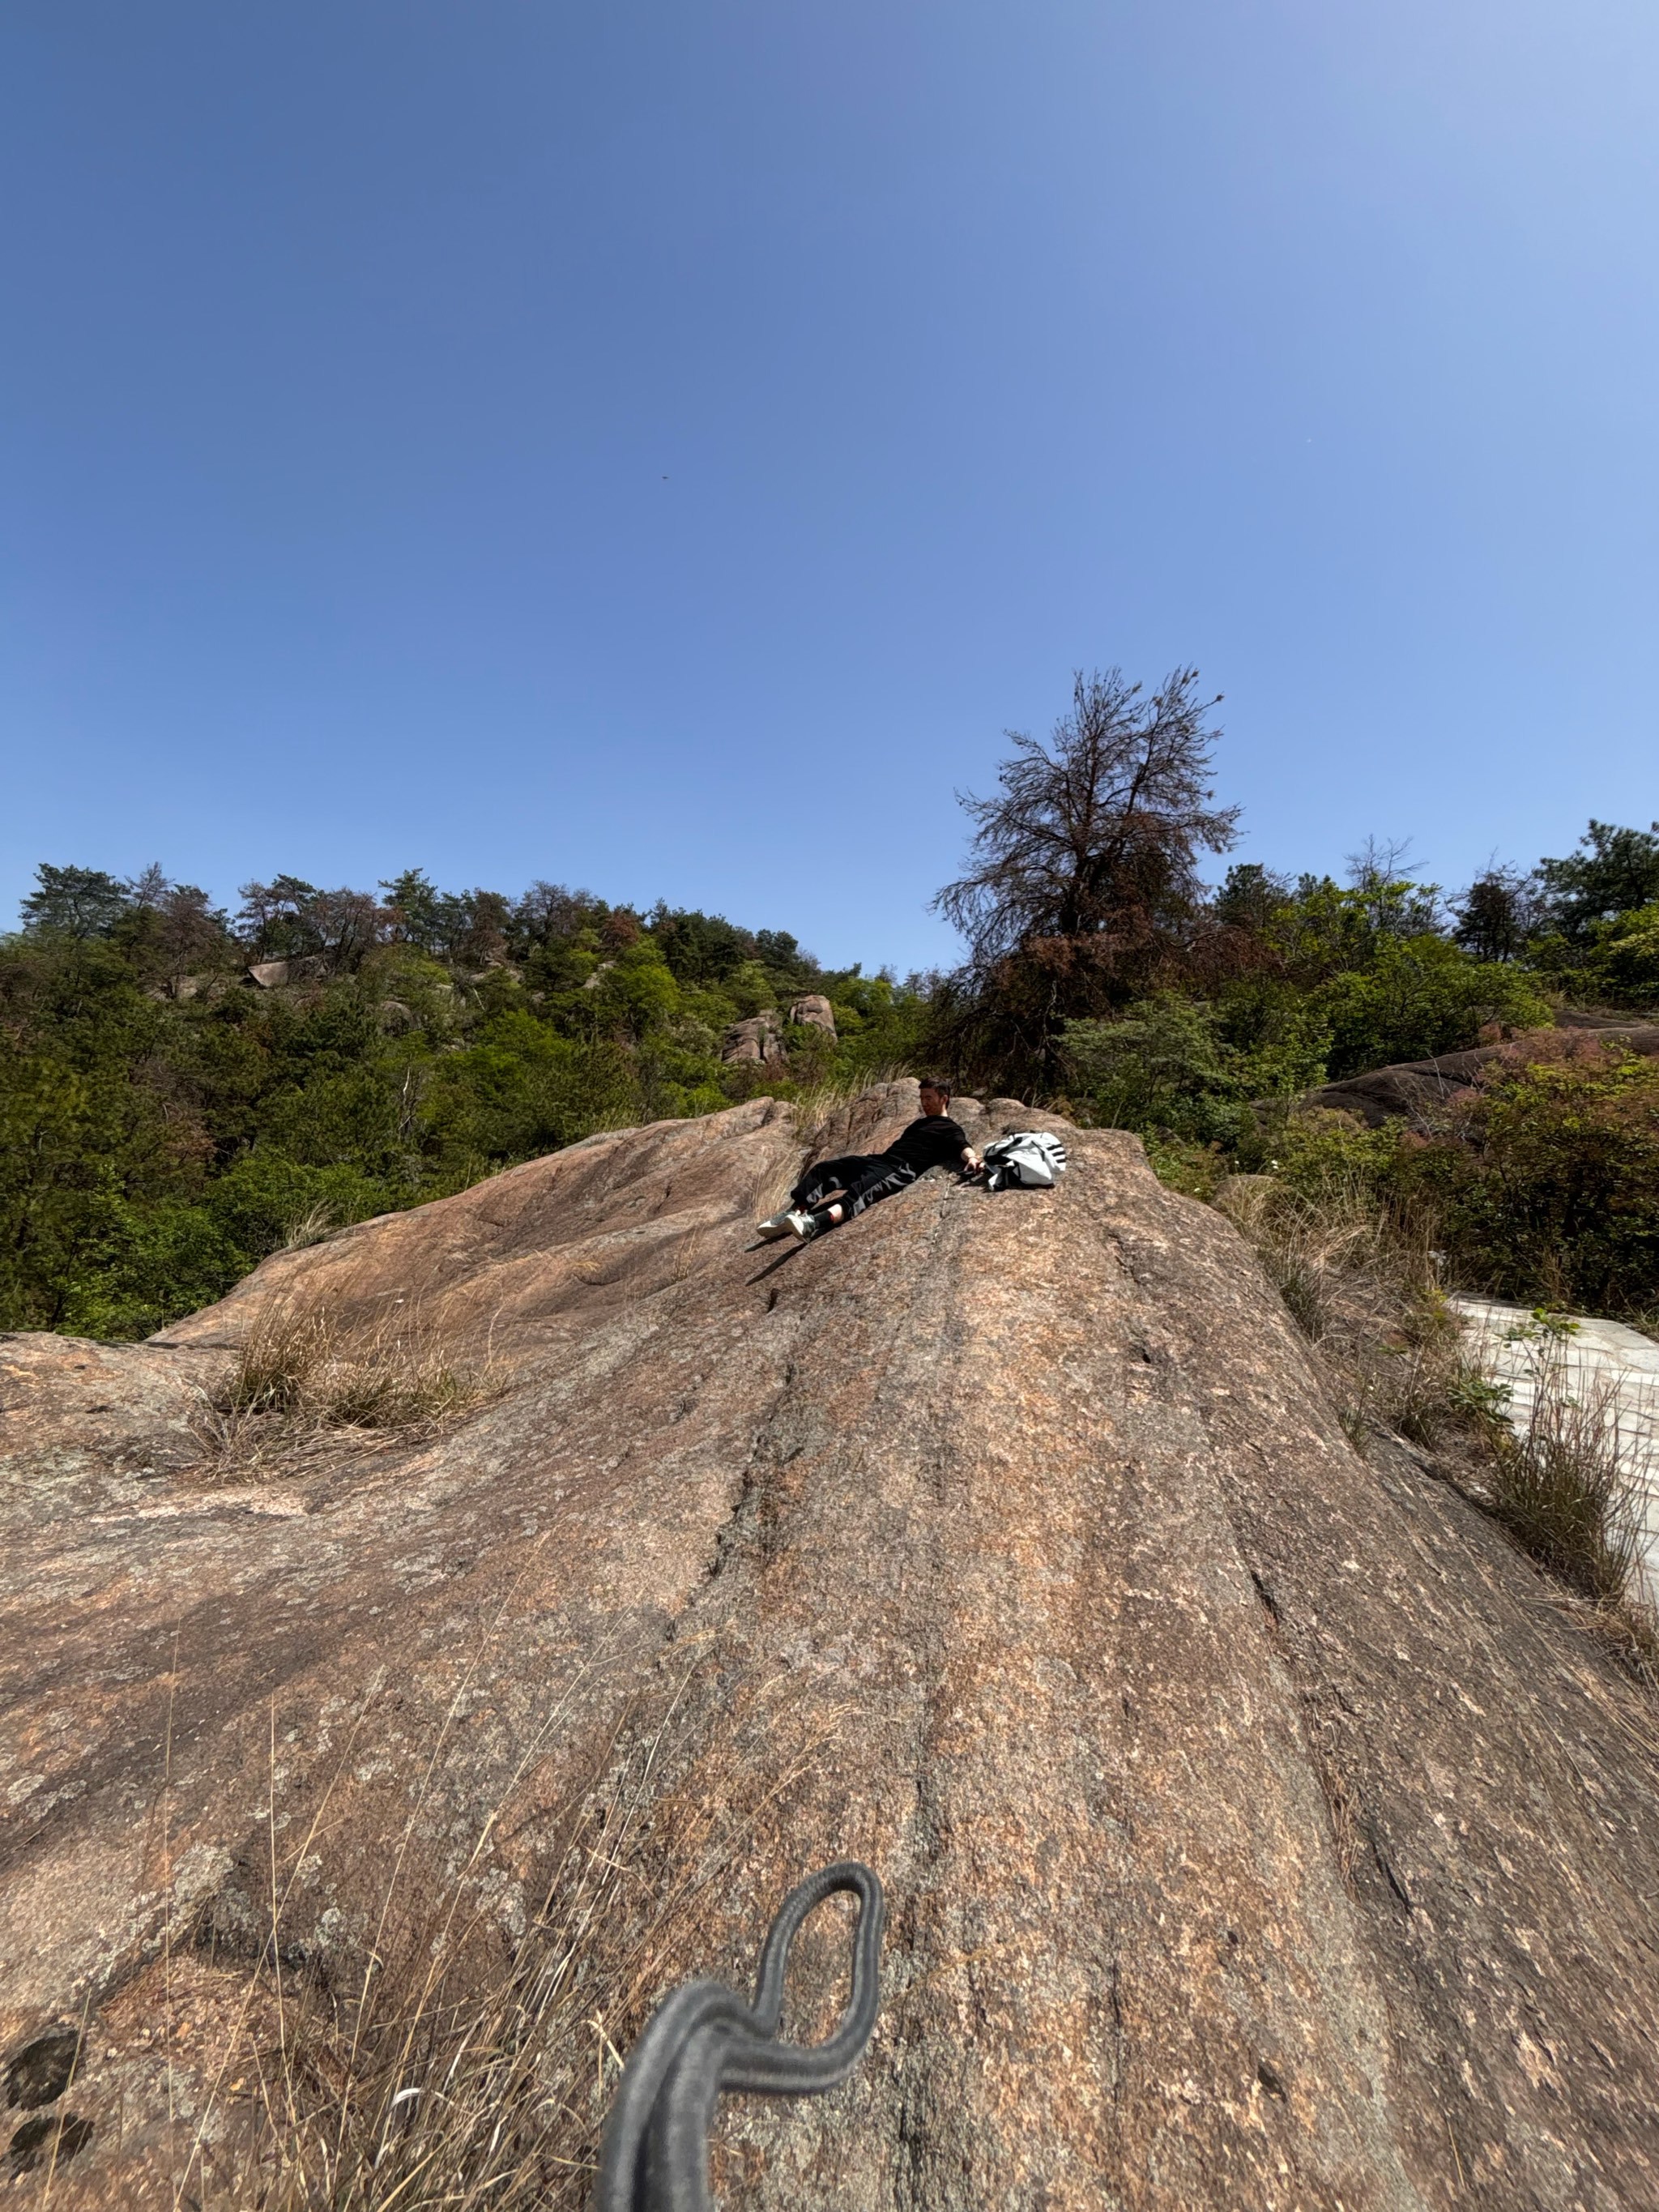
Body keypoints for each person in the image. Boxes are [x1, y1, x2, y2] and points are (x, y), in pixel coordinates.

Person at [757, 1080, 981, 1242]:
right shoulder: (918, 1124)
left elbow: (961, 1145)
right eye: (922, 1098)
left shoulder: (949, 1127)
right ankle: (796, 1212)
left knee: (860, 1192)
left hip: (900, 1169)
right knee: (826, 1169)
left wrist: (972, 1158)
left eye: (929, 1098)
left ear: (944, 1099)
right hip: (882, 1160)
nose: (924, 1103)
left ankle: (812, 1224)